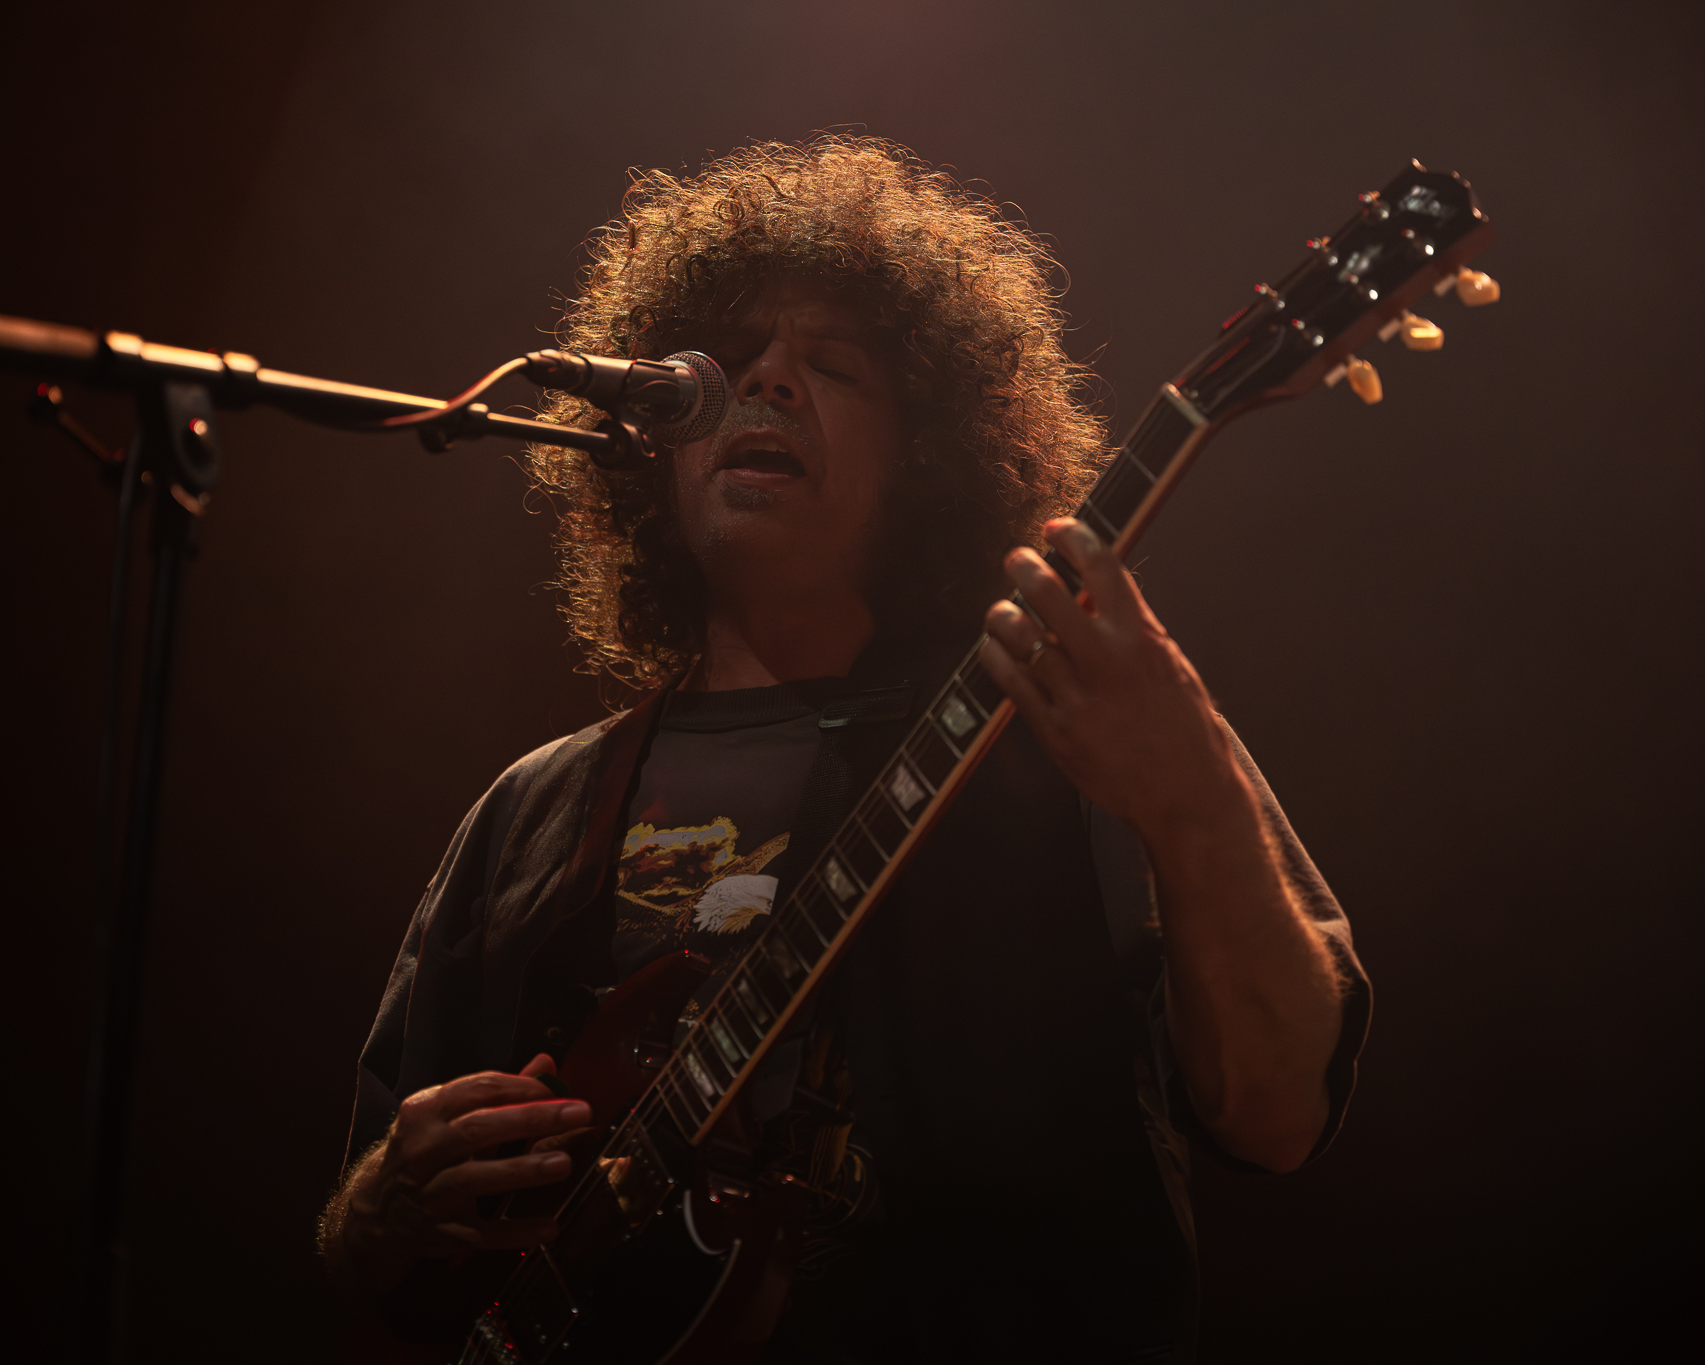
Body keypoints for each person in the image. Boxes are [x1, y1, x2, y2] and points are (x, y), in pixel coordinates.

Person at [317, 137, 1369, 1362]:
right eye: (724, 361)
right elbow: (364, 1256)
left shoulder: (1065, 724)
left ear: (924, 457)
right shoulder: (532, 810)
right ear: (651, 443)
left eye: (831, 366)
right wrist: (379, 1210)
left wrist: (1187, 795)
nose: (763, 382)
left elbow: (1273, 1116)